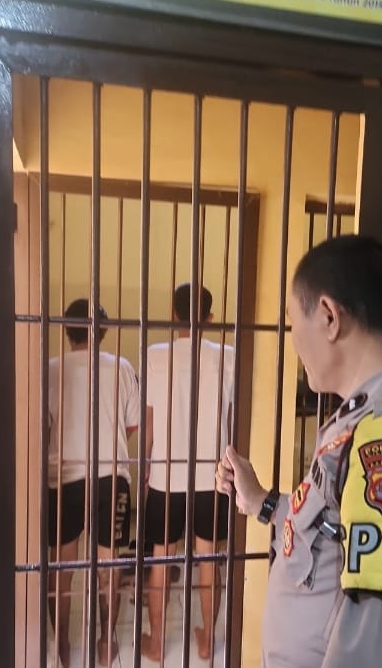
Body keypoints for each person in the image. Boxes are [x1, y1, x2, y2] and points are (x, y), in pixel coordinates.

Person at [216, 235, 382, 668]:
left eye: (292, 323)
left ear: (329, 316)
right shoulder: (370, 417)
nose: (293, 342)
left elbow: (380, 650)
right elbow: (333, 530)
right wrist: (261, 502)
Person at [141, 283, 234, 662]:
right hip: (213, 475)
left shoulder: (155, 355)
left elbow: (149, 424)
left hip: (166, 476)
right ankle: (208, 640)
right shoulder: (227, 356)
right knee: (209, 559)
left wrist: (145, 466)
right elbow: (231, 418)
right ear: (209, 318)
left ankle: (157, 643)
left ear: (173, 314)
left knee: (161, 560)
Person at [47, 298, 140, 667]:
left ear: (64, 328)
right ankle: (105, 642)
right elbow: (132, 425)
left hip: (63, 478)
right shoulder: (121, 368)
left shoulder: (51, 369)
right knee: (109, 566)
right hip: (110, 479)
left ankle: (63, 647)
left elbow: (43, 426)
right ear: (103, 331)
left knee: (61, 569)